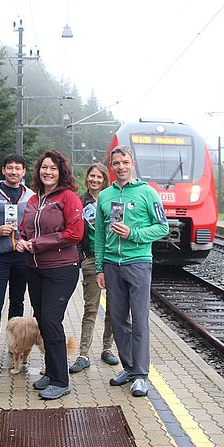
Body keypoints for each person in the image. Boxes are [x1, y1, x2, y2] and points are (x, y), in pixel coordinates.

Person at [95, 146, 169, 397]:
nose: (120, 167)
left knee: (139, 320)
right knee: (117, 320)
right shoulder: (104, 196)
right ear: (111, 166)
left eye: (125, 162)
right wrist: (99, 267)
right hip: (111, 266)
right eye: (116, 163)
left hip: (138, 263)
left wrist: (134, 234)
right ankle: (128, 367)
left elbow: (162, 228)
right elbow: (100, 237)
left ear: (132, 163)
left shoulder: (148, 193)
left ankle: (141, 375)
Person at [16, 150, 84, 400]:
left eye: (53, 168)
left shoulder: (69, 198)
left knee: (52, 321)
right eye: (44, 167)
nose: (47, 172)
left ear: (61, 172)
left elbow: (75, 234)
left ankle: (60, 380)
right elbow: (24, 230)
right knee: (42, 320)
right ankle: (51, 372)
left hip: (61, 269)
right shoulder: (34, 199)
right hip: (35, 269)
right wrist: (21, 241)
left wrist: (38, 244)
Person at [0, 154, 35, 368]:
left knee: (18, 302)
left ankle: (17, 345)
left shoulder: (30, 195)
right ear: (3, 170)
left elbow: (32, 224)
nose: (14, 172)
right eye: (10, 168)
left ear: (24, 172)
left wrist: (27, 241)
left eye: (18, 168)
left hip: (21, 256)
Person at [69, 163, 119, 374]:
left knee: (114, 309)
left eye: (99, 177)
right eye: (92, 176)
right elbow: (75, 231)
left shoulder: (112, 200)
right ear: (86, 178)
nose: (95, 180)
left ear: (105, 179)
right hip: (90, 259)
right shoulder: (80, 201)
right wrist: (81, 258)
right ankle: (83, 354)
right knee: (91, 307)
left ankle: (107, 348)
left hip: (114, 259)